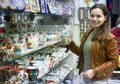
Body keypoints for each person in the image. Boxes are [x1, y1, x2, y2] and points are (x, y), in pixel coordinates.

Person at [65, 4, 119, 84]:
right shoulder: (87, 34)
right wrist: (70, 44)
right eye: (92, 16)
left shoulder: (109, 38)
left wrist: (94, 71)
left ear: (105, 18)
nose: (94, 19)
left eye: (98, 16)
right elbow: (83, 54)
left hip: (99, 79)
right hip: (84, 76)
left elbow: (114, 61)